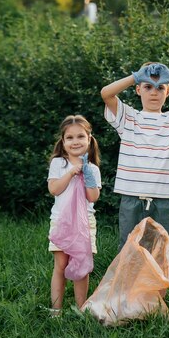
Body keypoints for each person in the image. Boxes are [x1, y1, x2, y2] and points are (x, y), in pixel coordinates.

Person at [101, 62, 169, 253]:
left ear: (168, 92)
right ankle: (130, 282)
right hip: (131, 195)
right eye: (148, 86)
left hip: (164, 198)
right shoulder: (128, 118)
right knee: (129, 248)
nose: (154, 92)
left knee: (162, 249)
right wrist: (136, 76)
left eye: (161, 87)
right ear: (138, 89)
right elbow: (106, 93)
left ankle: (159, 283)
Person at [47, 114, 102, 317]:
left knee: (81, 267)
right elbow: (54, 189)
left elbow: (93, 196)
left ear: (89, 139)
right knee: (60, 265)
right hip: (61, 221)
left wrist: (86, 174)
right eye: (69, 138)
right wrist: (71, 173)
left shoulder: (93, 169)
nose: (75, 141)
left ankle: (81, 309)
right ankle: (56, 309)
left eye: (80, 136)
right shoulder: (58, 164)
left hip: (85, 223)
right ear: (63, 142)